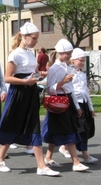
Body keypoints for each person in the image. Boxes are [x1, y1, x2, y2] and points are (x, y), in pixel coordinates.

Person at [0, 22, 59, 176]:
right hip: (18, 94)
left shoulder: (31, 53)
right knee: (13, 124)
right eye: (34, 38)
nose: (36, 41)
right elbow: (7, 78)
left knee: (33, 125)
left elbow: (33, 73)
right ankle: (0, 157)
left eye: (36, 38)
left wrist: (40, 74)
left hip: (31, 93)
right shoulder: (15, 54)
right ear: (25, 36)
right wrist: (24, 81)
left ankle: (41, 166)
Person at [41, 39, 89, 172]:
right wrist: (63, 81)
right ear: (59, 53)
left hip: (68, 101)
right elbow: (50, 89)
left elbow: (71, 88)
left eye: (70, 53)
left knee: (58, 131)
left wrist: (77, 106)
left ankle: (48, 157)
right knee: (69, 131)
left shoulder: (67, 67)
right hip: (59, 102)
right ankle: (76, 161)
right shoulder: (54, 69)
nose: (68, 56)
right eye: (66, 53)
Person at [58, 48, 98, 164]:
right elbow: (71, 90)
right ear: (73, 60)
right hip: (76, 104)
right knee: (82, 129)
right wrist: (77, 107)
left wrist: (90, 108)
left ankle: (65, 147)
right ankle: (85, 154)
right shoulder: (70, 73)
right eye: (80, 60)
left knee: (87, 128)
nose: (82, 62)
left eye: (83, 60)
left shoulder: (82, 74)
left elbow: (85, 91)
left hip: (84, 102)